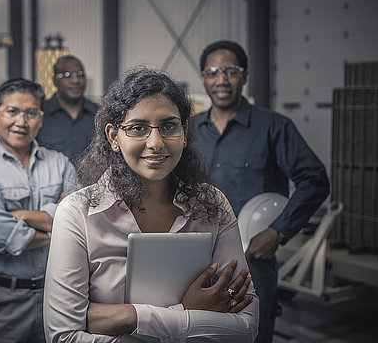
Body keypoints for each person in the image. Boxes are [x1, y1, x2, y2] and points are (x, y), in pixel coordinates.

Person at [44, 68, 259, 342]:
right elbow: (63, 338)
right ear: (113, 138)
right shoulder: (78, 213)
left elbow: (246, 327)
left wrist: (130, 317)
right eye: (138, 128)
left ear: (184, 132)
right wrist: (189, 315)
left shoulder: (212, 205)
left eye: (169, 126)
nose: (156, 143)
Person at [192, 40, 330, 343]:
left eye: (230, 71)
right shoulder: (188, 131)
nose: (221, 80)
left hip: (250, 261)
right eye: (213, 72)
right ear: (203, 77)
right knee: (198, 334)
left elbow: (315, 179)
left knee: (252, 335)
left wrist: (278, 232)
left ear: (245, 76)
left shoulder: (274, 127)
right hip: (195, 259)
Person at [0, 78, 79, 343]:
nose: (21, 122)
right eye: (12, 111)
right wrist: (56, 226)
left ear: (41, 118)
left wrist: (21, 217)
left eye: (31, 113)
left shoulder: (60, 163)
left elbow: (79, 220)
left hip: (56, 296)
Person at [37, 55, 98, 163]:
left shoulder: (99, 114)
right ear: (55, 81)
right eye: (67, 75)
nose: (75, 81)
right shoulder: (40, 114)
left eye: (80, 75)